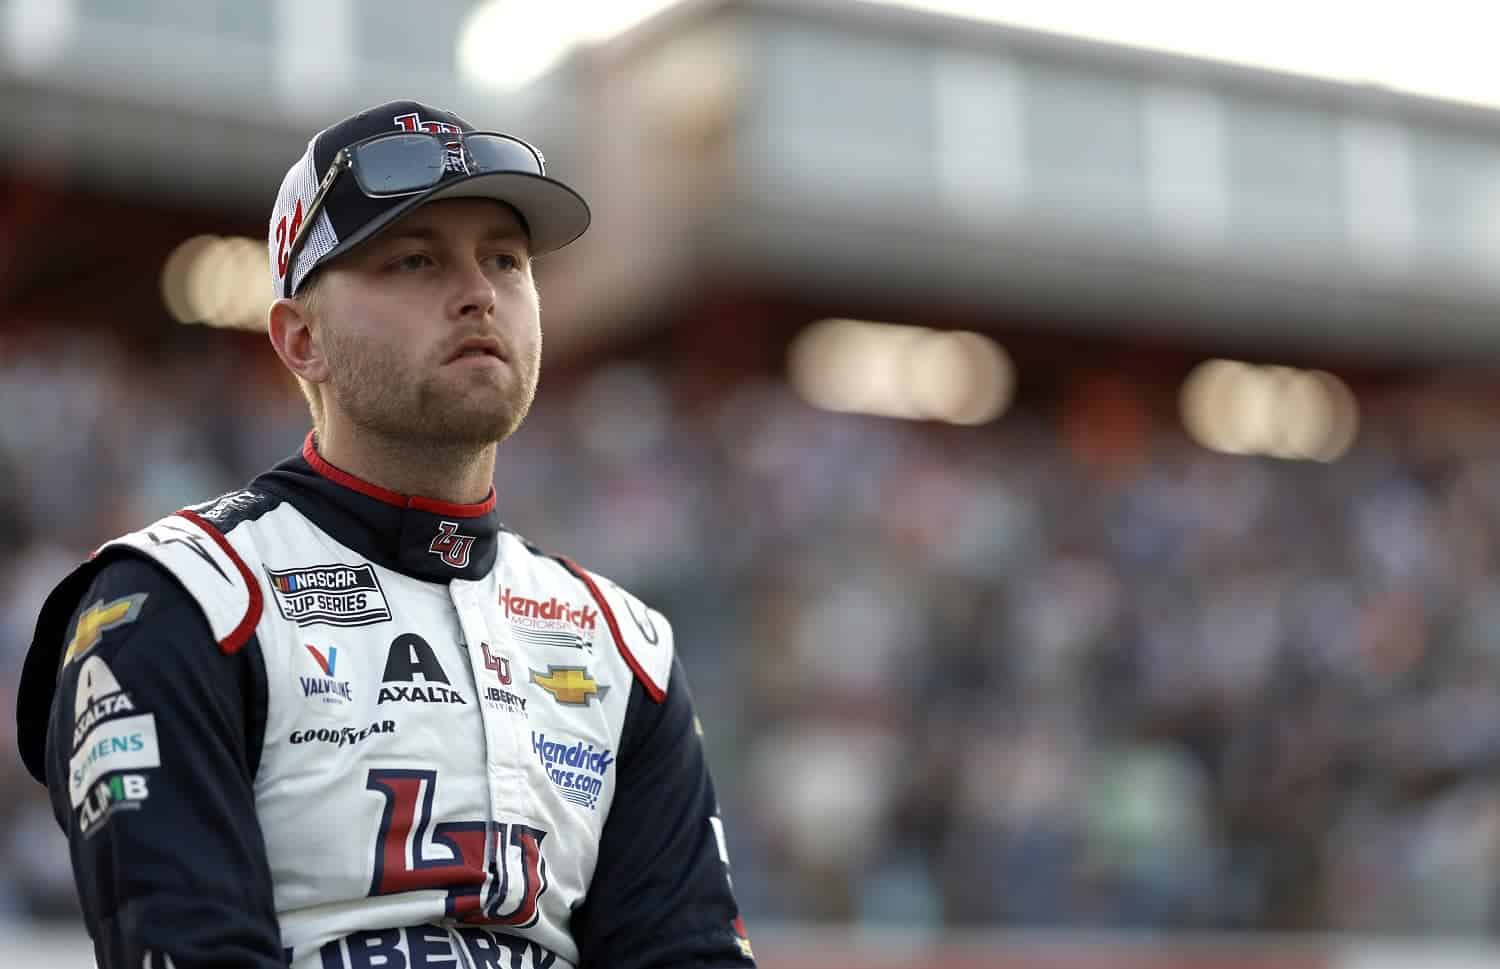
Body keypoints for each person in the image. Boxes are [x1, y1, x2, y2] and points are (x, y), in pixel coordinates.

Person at [14, 100, 756, 969]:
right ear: (300, 339)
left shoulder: (623, 647)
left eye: (506, 260)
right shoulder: (178, 600)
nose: (478, 291)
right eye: (413, 259)